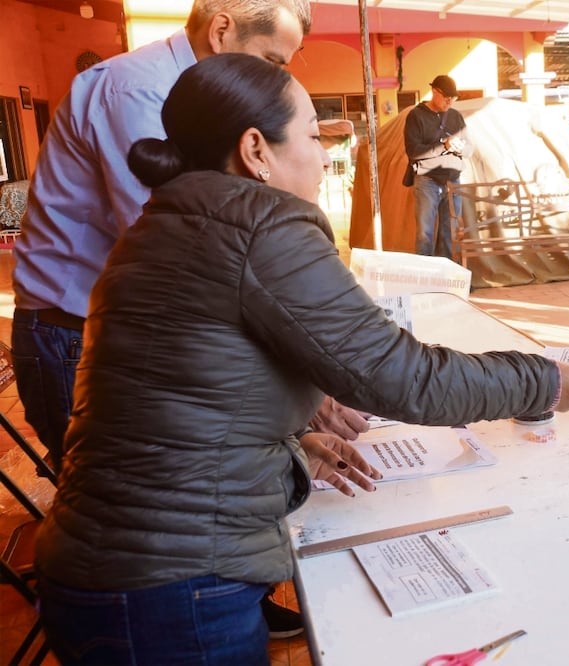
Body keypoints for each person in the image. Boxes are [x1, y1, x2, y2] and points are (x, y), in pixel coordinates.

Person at [33, 53, 569, 666]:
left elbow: (184, 401)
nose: (324, 155)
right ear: (256, 149)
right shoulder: (259, 225)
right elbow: (402, 376)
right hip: (170, 589)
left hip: (103, 567)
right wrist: (545, 379)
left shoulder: (166, 224)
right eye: (314, 136)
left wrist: (287, 449)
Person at [9, 0, 338, 639]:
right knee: (147, 528)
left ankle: (220, 602)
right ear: (221, 32)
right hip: (76, 335)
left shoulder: (186, 98)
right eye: (271, 60)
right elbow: (198, 257)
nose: (277, 83)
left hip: (120, 331)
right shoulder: (138, 90)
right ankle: (180, 621)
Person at [403, 74, 470, 258]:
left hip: (452, 182)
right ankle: (426, 281)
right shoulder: (416, 116)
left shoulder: (456, 116)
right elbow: (414, 151)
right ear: (434, 92)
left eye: (453, 98)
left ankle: (448, 279)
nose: (450, 101)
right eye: (447, 96)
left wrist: (460, 148)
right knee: (425, 234)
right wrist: (444, 146)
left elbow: (470, 149)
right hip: (427, 181)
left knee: (450, 233)